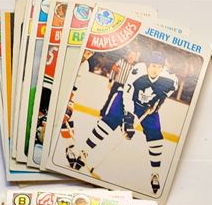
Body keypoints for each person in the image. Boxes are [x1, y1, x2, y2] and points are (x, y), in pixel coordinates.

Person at [66, 51, 178, 194]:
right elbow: (127, 96)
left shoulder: (169, 79)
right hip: (127, 100)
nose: (155, 70)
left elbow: (172, 87)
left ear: (162, 68)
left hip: (147, 108)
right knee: (109, 120)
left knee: (155, 136)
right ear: (147, 65)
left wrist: (159, 101)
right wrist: (128, 122)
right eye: (153, 66)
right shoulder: (138, 71)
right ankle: (84, 152)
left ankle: (155, 174)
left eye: (158, 67)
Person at [100, 50, 138, 116]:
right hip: (117, 83)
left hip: (126, 87)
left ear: (135, 58)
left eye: (133, 56)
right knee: (110, 98)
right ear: (128, 55)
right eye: (131, 54)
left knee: (123, 102)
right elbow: (113, 70)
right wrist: (110, 81)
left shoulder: (135, 67)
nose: (131, 57)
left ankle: (116, 116)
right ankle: (103, 112)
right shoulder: (121, 61)